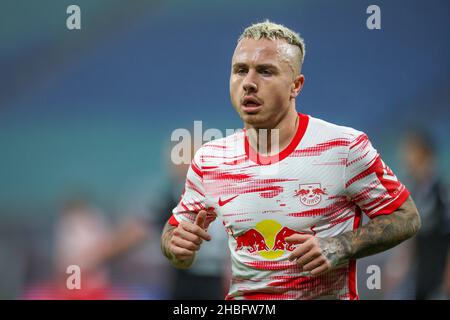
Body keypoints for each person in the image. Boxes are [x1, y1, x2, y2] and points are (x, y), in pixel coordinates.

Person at [160, 20, 421, 300]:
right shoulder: (211, 159)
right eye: (240, 70)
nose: (248, 82)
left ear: (295, 86)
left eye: (265, 71)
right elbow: (175, 234)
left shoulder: (344, 147)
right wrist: (175, 248)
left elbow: (406, 217)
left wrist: (340, 245)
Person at [384, 129, 450, 299]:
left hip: (438, 281)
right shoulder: (416, 192)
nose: (404, 158)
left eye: (409, 152)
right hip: (421, 280)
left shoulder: (440, 192)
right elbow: (413, 240)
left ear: (422, 153)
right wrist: (398, 267)